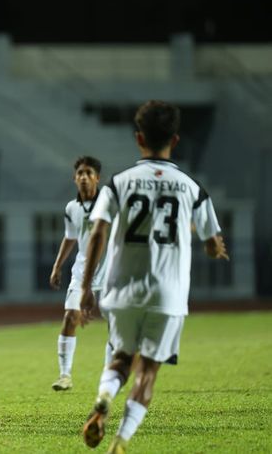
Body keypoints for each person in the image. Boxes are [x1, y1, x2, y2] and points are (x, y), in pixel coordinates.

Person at [79, 100, 229, 453]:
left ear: (138, 138)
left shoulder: (118, 183)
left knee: (120, 358)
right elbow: (212, 241)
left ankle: (103, 397)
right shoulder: (191, 187)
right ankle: (121, 441)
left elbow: (98, 232)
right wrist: (214, 248)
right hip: (168, 296)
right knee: (147, 371)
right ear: (175, 141)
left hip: (120, 293)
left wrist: (86, 287)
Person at [49, 156, 112, 391]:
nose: (84, 177)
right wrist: (57, 266)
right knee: (69, 318)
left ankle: (109, 376)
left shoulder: (109, 203)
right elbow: (71, 237)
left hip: (109, 273)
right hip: (81, 271)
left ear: (97, 178)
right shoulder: (71, 208)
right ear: (75, 179)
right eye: (80, 174)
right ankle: (64, 375)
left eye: (89, 173)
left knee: (115, 325)